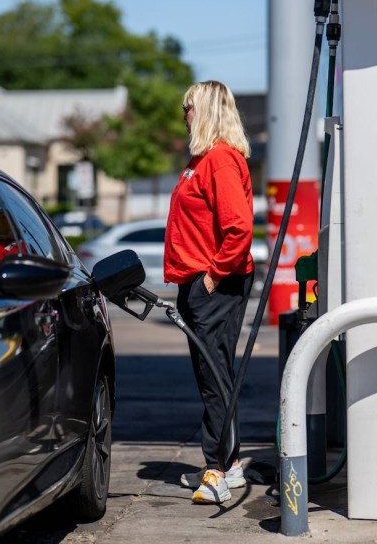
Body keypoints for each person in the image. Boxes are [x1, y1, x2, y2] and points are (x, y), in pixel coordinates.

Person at [164, 80, 255, 504]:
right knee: (214, 376)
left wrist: (211, 279)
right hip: (202, 283)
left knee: (214, 378)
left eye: (188, 107)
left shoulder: (219, 159)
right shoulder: (202, 160)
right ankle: (229, 464)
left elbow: (238, 228)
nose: (184, 115)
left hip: (215, 284)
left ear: (205, 111)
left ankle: (216, 471)